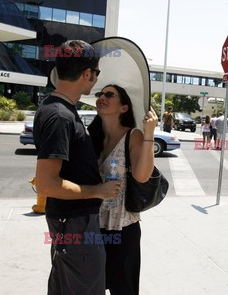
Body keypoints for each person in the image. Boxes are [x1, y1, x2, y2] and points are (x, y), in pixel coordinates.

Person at [33, 40, 120, 294]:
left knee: (66, 286)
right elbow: (46, 183)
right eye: (97, 74)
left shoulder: (58, 109)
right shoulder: (60, 116)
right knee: (86, 287)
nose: (96, 80)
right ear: (87, 74)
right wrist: (98, 191)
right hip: (74, 224)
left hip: (69, 222)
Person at [88, 84, 158, 295]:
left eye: (109, 95)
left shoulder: (133, 136)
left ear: (124, 108)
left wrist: (149, 133)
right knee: (91, 286)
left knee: (123, 289)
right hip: (92, 225)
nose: (102, 97)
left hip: (122, 227)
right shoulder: (91, 136)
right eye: (100, 94)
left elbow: (142, 176)